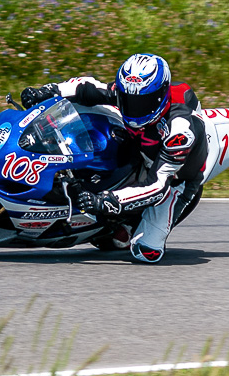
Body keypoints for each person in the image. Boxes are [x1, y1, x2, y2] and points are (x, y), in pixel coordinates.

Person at [21, 54, 207, 263]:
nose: (134, 107)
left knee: (145, 252)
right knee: (84, 110)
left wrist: (107, 201)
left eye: (142, 102)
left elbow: (158, 186)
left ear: (161, 95)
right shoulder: (124, 93)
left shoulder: (179, 133)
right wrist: (47, 91)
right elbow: (87, 88)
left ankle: (126, 227)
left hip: (176, 180)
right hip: (140, 146)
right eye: (129, 99)